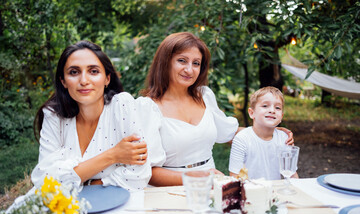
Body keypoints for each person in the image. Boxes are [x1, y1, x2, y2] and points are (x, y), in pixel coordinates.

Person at [138, 32, 293, 186]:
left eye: (196, 63)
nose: (189, 70)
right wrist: (198, 177)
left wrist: (271, 132)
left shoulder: (204, 96)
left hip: (211, 185)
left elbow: (229, 132)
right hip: (171, 189)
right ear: (165, 62)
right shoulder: (147, 107)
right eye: (182, 61)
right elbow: (149, 173)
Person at [32, 40, 165, 192]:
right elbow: (43, 182)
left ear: (107, 78)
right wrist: (113, 155)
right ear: (63, 81)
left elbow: (138, 176)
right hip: (64, 209)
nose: (84, 81)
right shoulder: (54, 116)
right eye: (74, 72)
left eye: (93, 71)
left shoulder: (122, 106)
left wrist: (84, 183)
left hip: (119, 206)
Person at [229, 86, 299, 180]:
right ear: (251, 113)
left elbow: (292, 174)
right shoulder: (241, 139)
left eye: (277, 107)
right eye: (265, 106)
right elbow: (235, 177)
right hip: (250, 191)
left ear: (281, 116)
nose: (272, 110)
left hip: (275, 191)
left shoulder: (284, 138)